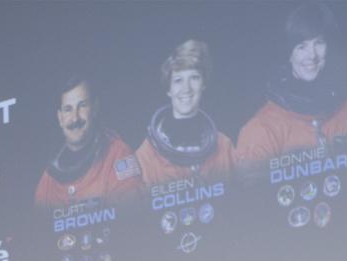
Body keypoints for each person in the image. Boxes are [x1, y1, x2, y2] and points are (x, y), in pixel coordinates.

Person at [235, 2, 347, 178]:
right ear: (288, 53)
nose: (312, 55)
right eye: (301, 46)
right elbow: (253, 194)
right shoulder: (262, 129)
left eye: (319, 43)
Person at [135, 40, 235, 188]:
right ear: (168, 89)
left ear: (203, 84)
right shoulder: (146, 157)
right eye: (178, 80)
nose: (186, 89)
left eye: (194, 78)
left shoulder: (224, 147)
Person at [35, 76, 140, 208]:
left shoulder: (119, 156)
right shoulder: (48, 181)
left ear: (95, 108)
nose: (75, 118)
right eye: (68, 109)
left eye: (82, 106)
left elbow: (132, 214)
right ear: (60, 118)